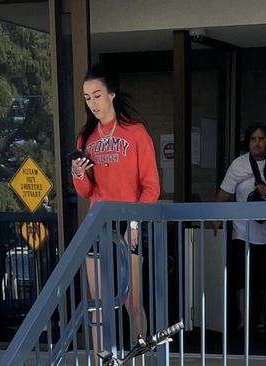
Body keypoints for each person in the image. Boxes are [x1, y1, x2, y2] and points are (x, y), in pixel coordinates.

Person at [71, 64, 160, 356]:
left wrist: (134, 224)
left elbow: (151, 186)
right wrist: (78, 174)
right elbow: (86, 192)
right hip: (97, 227)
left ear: (111, 94)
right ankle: (101, 360)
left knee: (131, 301)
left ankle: (138, 357)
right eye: (87, 98)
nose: (92, 103)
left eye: (97, 95)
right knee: (98, 304)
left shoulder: (136, 132)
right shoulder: (86, 138)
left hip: (129, 226)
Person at [214, 123, 266, 331]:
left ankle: (262, 321)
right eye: (253, 139)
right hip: (243, 231)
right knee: (242, 278)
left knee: (264, 281)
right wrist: (215, 217)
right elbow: (223, 194)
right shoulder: (239, 165)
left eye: (261, 139)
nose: (257, 143)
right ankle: (244, 319)